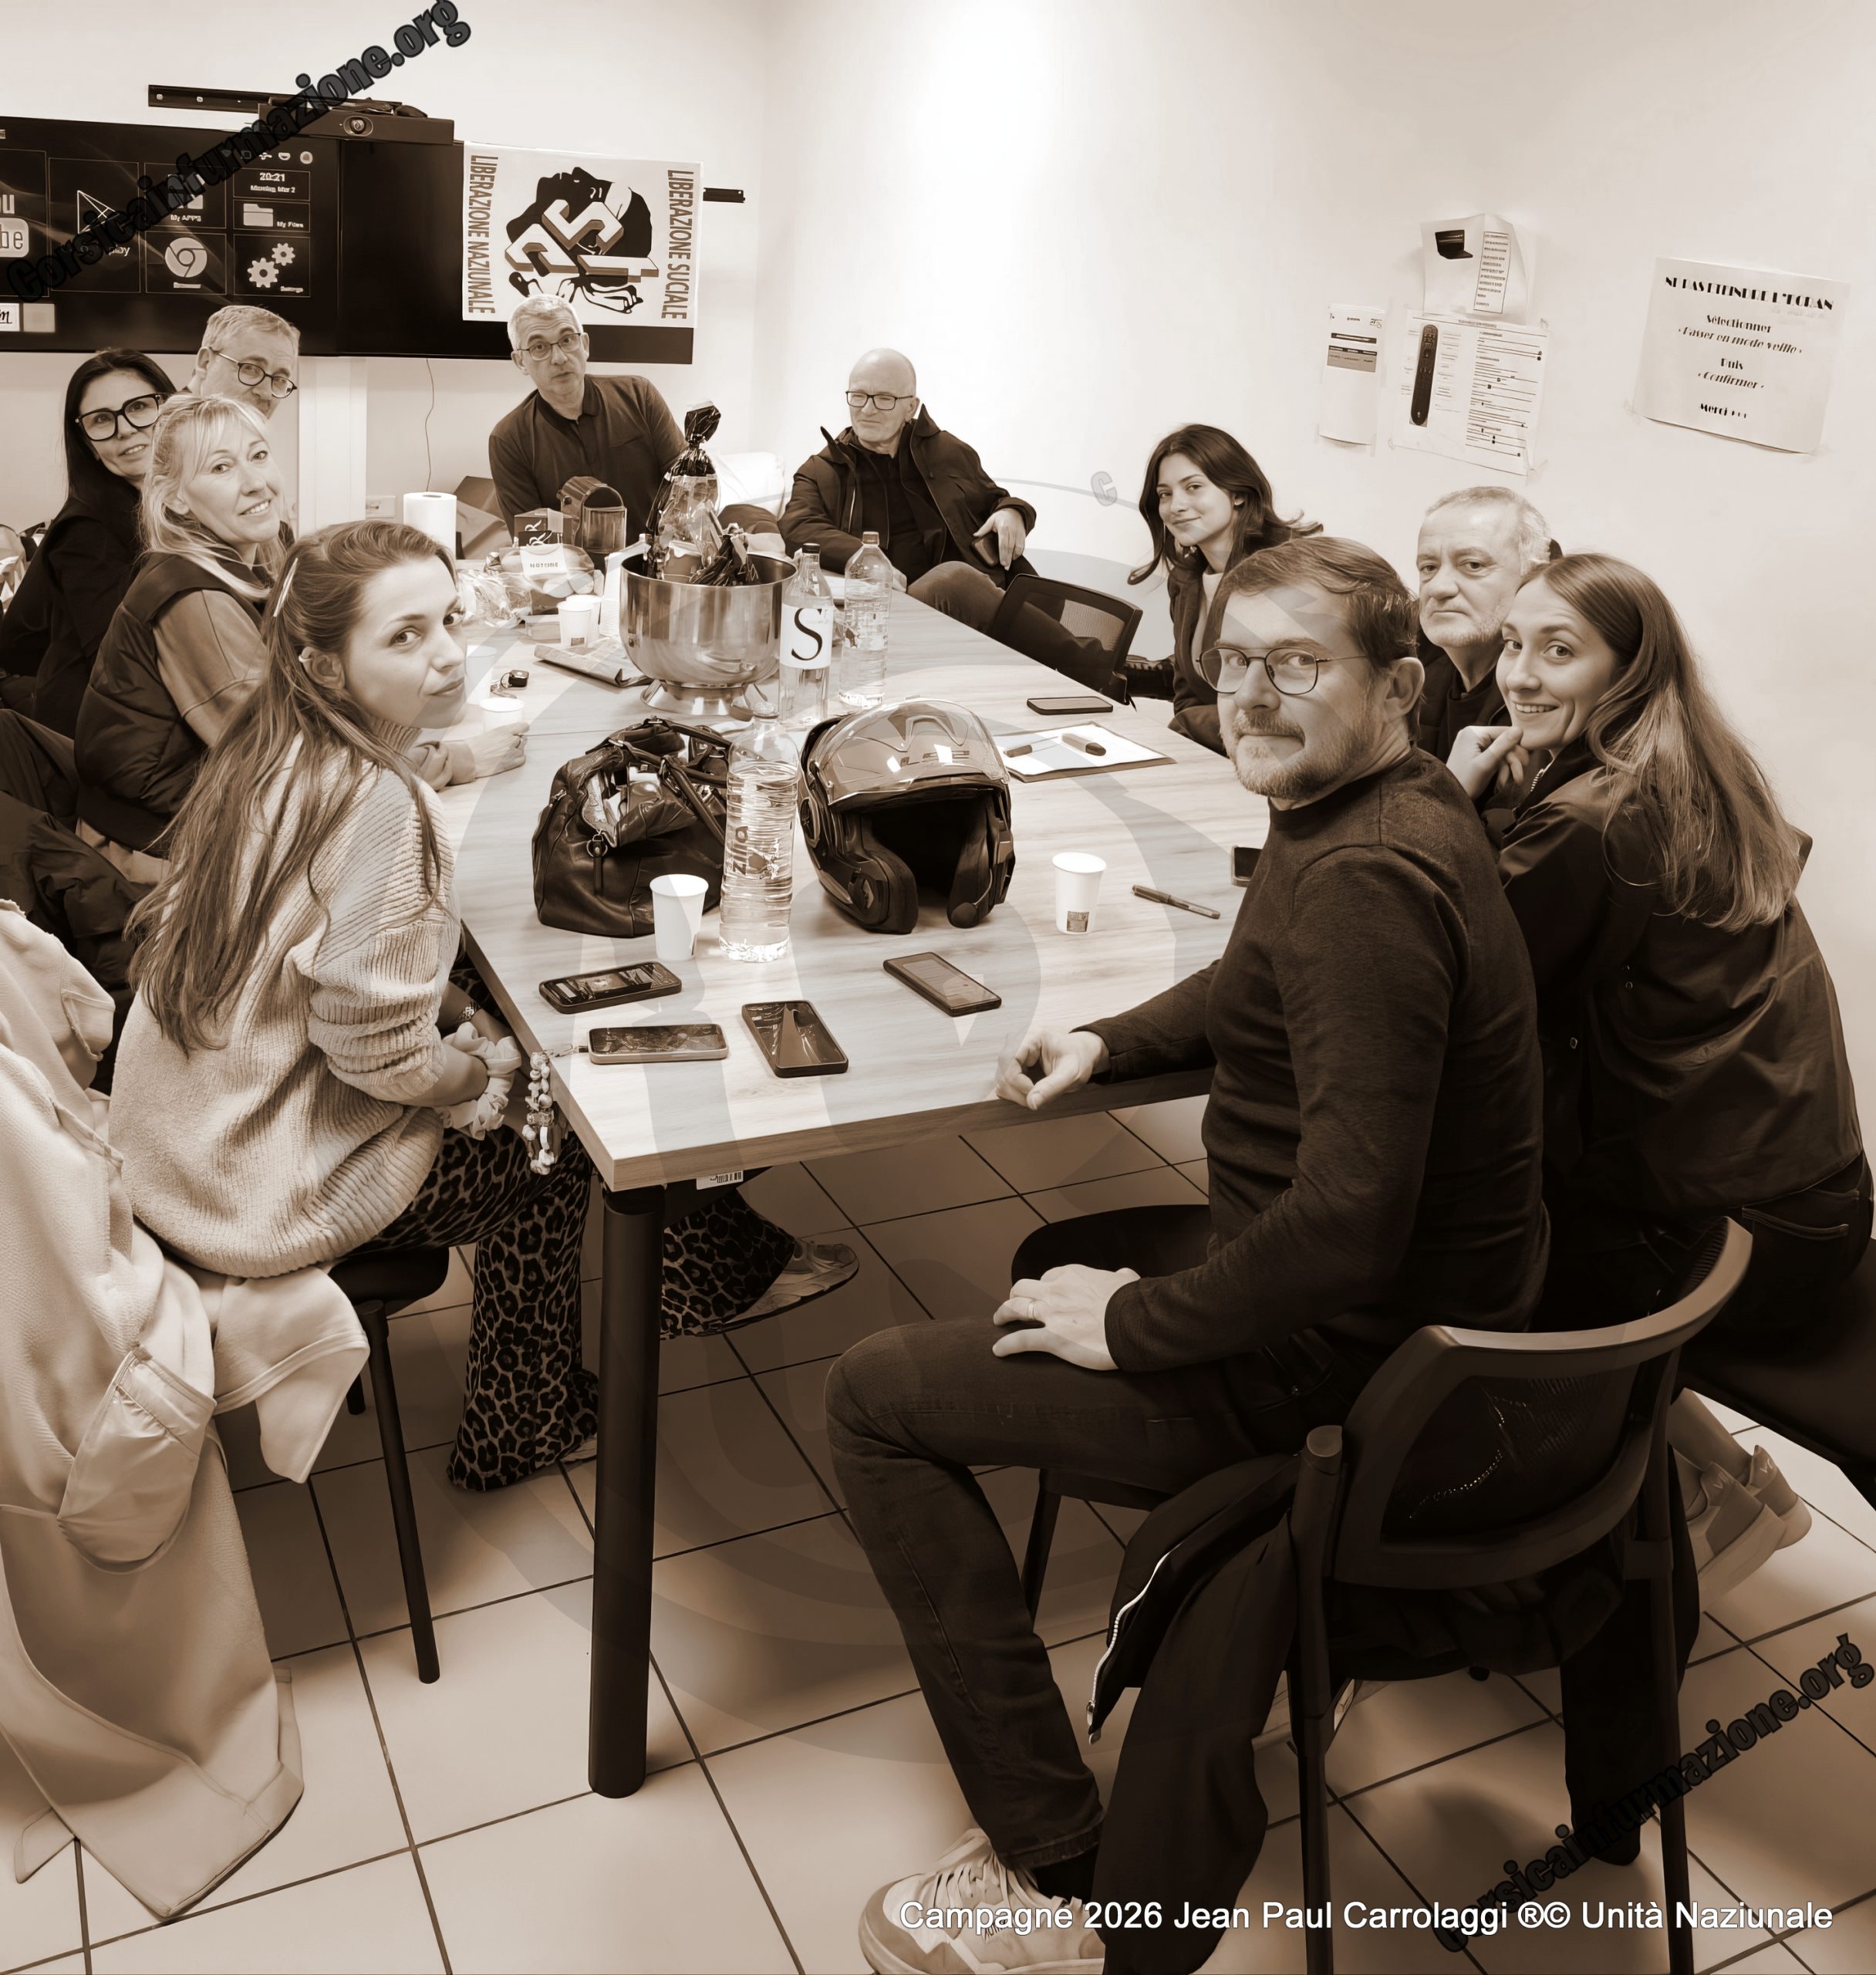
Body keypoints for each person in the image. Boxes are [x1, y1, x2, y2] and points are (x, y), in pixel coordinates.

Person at [827, 537, 1550, 1975]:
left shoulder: (1366, 880)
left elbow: (1345, 1228)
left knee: (872, 1400)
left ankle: (1053, 1869)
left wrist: (1133, 1326)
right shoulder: (1382, 804)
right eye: (1234, 663)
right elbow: (1254, 976)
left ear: (1399, 685)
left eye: (1299, 665)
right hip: (1417, 1337)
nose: (1253, 696)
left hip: (1346, 1377)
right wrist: (1113, 1041)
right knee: (1060, 1257)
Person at [109, 519, 853, 1490]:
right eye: (404, 636)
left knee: (524, 1059)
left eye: (448, 619)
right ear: (324, 666)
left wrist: (464, 1016)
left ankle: (703, 1273)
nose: (448, 654)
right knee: (555, 1140)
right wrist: (486, 1077)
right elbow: (377, 1058)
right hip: (251, 1188)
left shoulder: (269, 749)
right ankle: (525, 1424)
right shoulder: (383, 806)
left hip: (167, 1150)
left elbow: (327, 967)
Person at [1448, 553, 1868, 1585]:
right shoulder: (1696, 763)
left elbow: (1452, 980)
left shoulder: (1597, 815)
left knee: (1461, 1258)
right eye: (1512, 644)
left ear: (1628, 669)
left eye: (1557, 650)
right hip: (1814, 1201)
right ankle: (1728, 1488)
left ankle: (1628, 1539)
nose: (1519, 674)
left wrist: (1452, 803)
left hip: (1733, 1233)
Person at [75, 396, 528, 879]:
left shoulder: (256, 561)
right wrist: (456, 760)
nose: (255, 482)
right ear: (176, 499)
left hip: (223, 823)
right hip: (165, 861)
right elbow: (297, 766)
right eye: (221, 467)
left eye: (258, 455)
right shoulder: (193, 597)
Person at [778, 349, 1110, 688]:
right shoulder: (822, 470)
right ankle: (1102, 671)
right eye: (859, 396)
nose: (867, 409)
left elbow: (995, 498)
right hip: (893, 612)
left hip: (974, 603)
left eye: (884, 399)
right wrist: (869, 559)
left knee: (1030, 594)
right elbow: (797, 526)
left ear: (911, 406)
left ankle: (1076, 679)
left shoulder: (947, 452)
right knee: (954, 580)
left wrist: (1012, 512)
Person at [0, 349, 174, 734]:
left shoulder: (175, 510)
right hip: (97, 735)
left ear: (172, 410)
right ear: (88, 444)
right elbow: (120, 670)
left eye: (139, 407)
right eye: (101, 419)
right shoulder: (87, 531)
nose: (124, 429)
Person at [1119, 424, 1319, 755]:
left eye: (1193, 487)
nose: (1175, 506)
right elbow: (1189, 693)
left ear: (1238, 493)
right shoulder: (1185, 581)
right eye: (1165, 494)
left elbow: (1295, 701)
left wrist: (1189, 725)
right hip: (1223, 757)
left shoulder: (1287, 574)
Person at [488, 298, 684, 538]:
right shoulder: (509, 439)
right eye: (539, 347)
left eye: (567, 340)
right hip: (566, 563)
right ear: (521, 362)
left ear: (585, 345)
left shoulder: (639, 396)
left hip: (653, 557)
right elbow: (534, 542)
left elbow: (686, 486)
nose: (559, 358)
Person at [1412, 484, 1557, 764]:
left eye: (1473, 565)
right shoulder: (1408, 672)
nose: (1439, 587)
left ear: (1532, 574)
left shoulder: (1547, 700)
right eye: (1429, 567)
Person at [177, 303, 301, 422]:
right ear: (205, 363)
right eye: (251, 369)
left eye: (280, 380)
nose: (266, 393)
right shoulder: (170, 432)